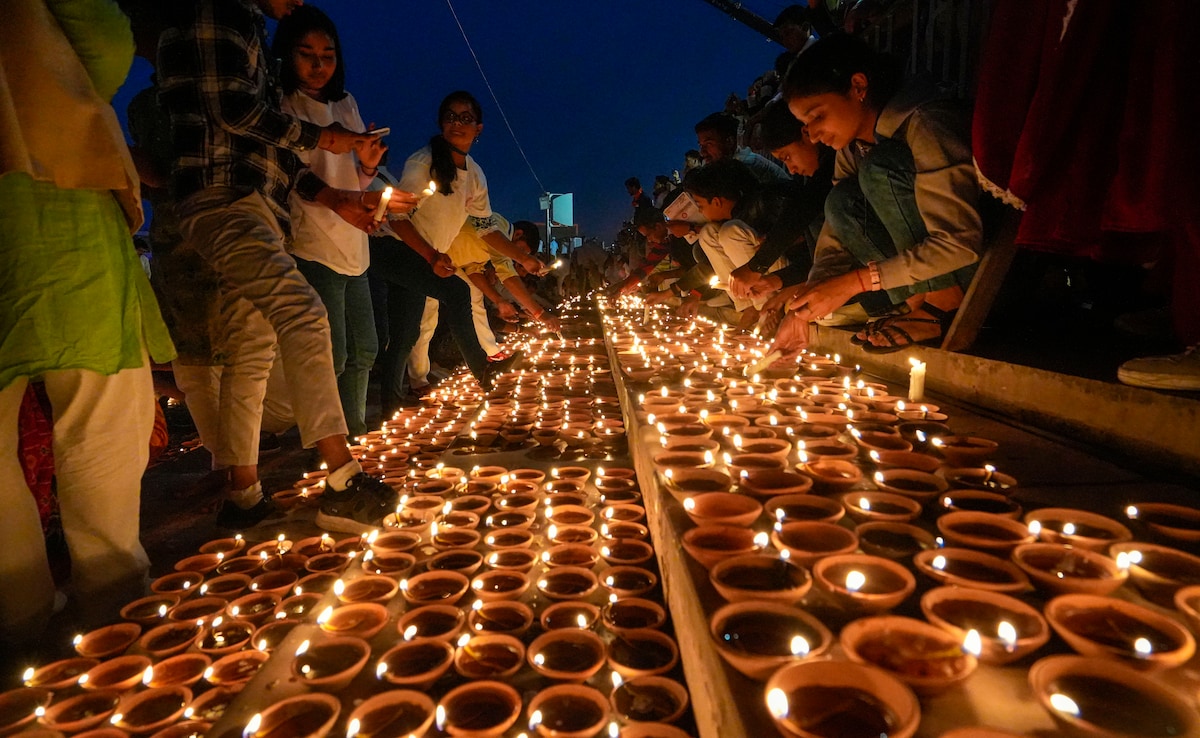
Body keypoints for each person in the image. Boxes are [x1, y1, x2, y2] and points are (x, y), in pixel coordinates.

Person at [157, 0, 415, 535]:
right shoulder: (217, 13)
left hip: (257, 202)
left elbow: (275, 160)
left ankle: (243, 494)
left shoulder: (249, 31)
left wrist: (346, 197)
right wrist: (330, 139)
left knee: (250, 350)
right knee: (303, 314)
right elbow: (234, 114)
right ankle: (342, 478)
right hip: (222, 195)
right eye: (307, 52)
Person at [0, 0, 176, 650]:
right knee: (97, 418)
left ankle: (21, 634)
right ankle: (115, 622)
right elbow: (100, 47)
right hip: (48, 200)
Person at [769, 35, 982, 357]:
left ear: (857, 86)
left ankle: (942, 303)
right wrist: (806, 306)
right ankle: (916, 304)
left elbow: (959, 243)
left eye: (817, 116)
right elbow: (838, 224)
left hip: (976, 265)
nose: (812, 135)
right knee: (839, 200)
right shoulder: (854, 146)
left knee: (880, 169)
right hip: (927, 268)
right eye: (805, 124)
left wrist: (856, 282)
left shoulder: (926, 121)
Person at [369, 90, 543, 418]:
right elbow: (397, 216)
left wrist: (524, 260)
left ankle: (391, 410)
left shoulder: (474, 173)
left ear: (479, 128)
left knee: (406, 333)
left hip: (421, 255)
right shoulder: (424, 161)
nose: (457, 124)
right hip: (394, 247)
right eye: (451, 116)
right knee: (458, 292)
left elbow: (485, 227)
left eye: (466, 118)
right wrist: (432, 256)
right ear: (440, 122)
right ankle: (484, 370)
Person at [274, 5, 384, 438]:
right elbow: (291, 174)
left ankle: (353, 433)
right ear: (286, 55)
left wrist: (370, 167)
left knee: (366, 348)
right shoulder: (283, 105)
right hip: (312, 243)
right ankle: (326, 445)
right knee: (331, 354)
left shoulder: (345, 103)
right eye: (307, 54)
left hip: (353, 243)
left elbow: (353, 180)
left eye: (328, 55)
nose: (319, 66)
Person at [694, 112, 791, 183]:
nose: (702, 152)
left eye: (708, 144)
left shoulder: (745, 168)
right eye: (700, 145)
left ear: (729, 142)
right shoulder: (732, 164)